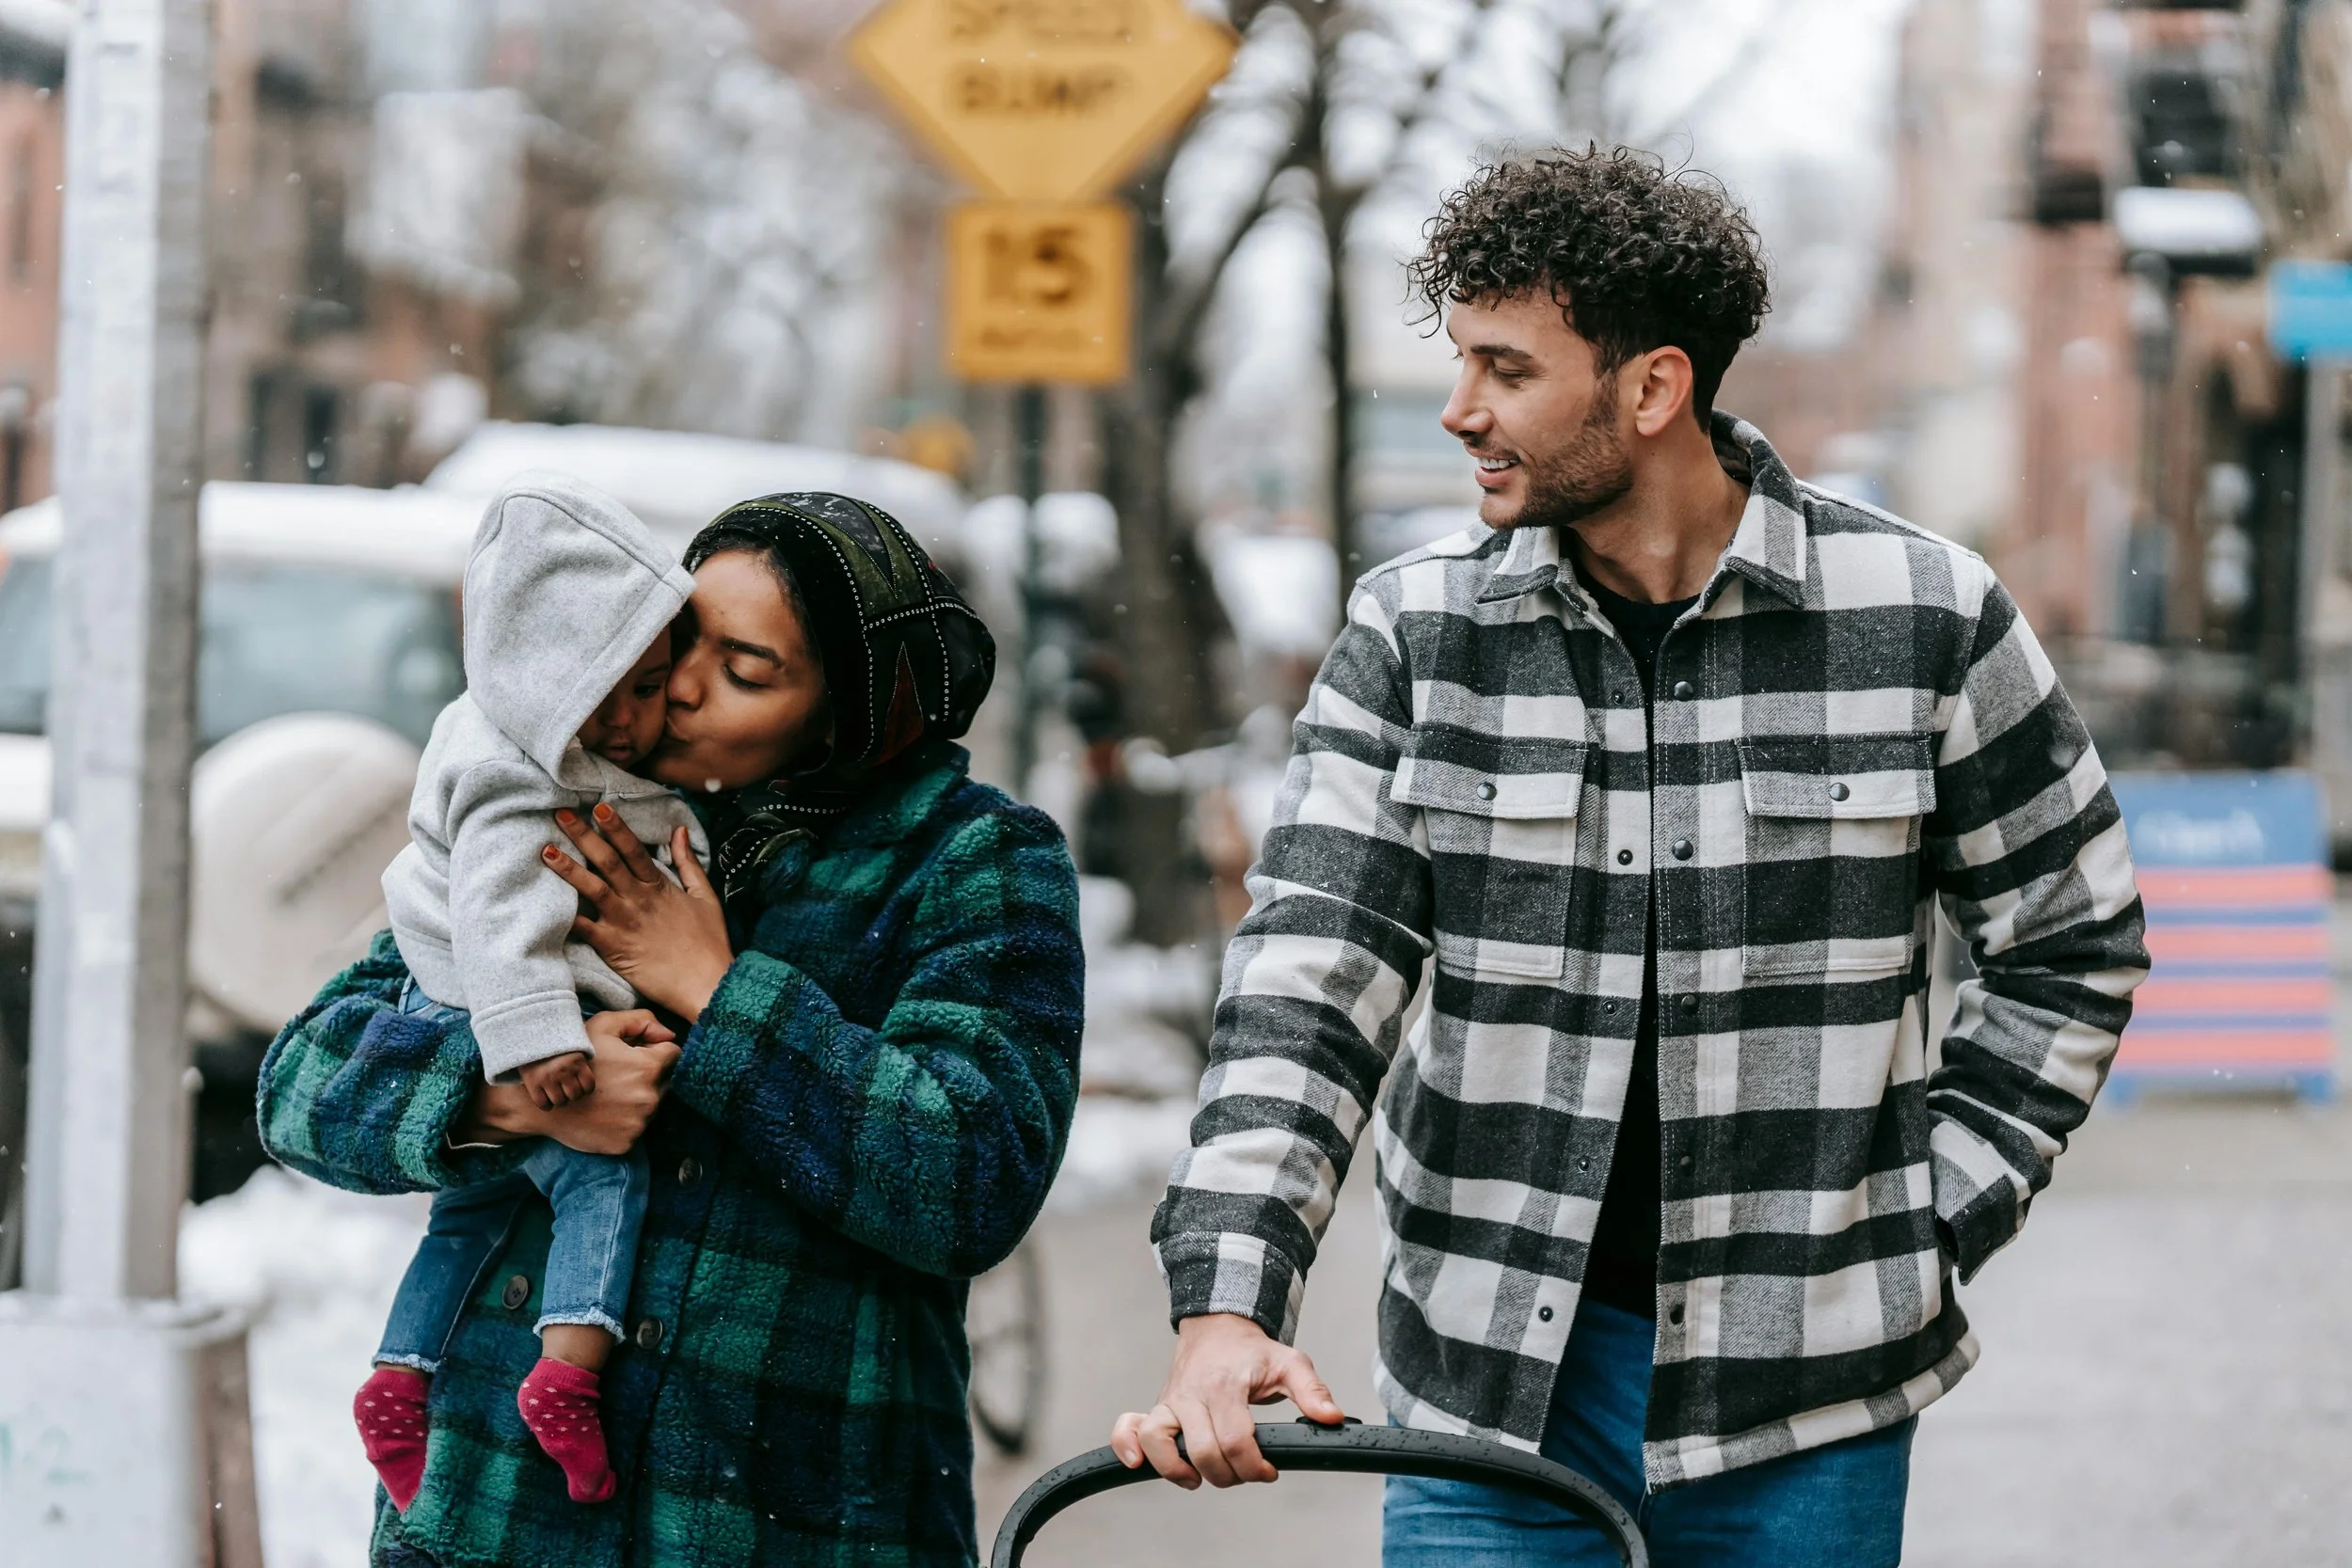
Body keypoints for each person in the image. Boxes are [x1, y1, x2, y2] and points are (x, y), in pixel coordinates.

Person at [1115, 148, 2149, 1567]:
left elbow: (2069, 941)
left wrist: (1923, 1215)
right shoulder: (1418, 632)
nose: (1460, 408)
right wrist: (1229, 1301)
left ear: (1652, 387)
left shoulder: (1923, 614)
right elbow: (1309, 978)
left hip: (1808, 1401)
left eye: (1505, 368)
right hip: (1491, 1390)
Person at [260, 491, 1084, 1567]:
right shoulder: (567, 784)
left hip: (785, 1521)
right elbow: (301, 1082)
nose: (680, 688)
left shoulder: (972, 860)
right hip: (495, 1515)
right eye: (679, 639)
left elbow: (969, 1175)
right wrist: (511, 1089)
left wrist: (718, 990)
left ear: (857, 710)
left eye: (747, 670)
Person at [355, 476, 708, 1511]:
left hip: (459, 1004)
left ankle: (398, 1371)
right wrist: (536, 1045)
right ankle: (568, 1372)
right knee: (604, 1180)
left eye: (657, 682)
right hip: (495, 1013)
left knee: (465, 1216)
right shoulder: (524, 774)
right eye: (616, 697)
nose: (643, 718)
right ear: (549, 681)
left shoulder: (509, 728)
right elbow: (503, 909)